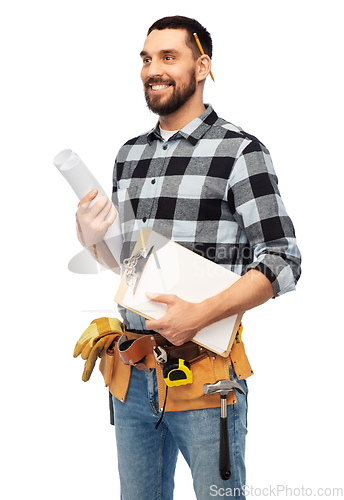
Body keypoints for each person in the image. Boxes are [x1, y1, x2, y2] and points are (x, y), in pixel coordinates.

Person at [75, 15, 301, 500]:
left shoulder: (240, 152)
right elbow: (126, 263)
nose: (151, 70)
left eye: (168, 57)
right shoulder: (129, 155)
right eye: (146, 58)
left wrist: (197, 316)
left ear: (201, 67)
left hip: (206, 382)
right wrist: (92, 238)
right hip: (133, 382)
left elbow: (283, 260)